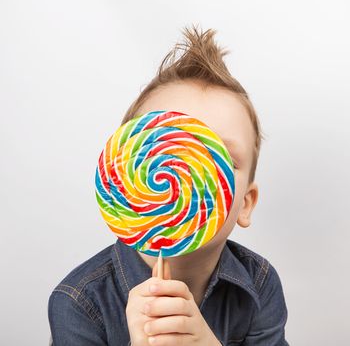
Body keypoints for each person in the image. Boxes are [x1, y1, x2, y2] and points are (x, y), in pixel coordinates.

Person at [48, 24, 289, 346]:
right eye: (167, 147)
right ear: (121, 177)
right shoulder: (79, 301)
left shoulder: (259, 284)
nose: (190, 169)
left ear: (245, 203)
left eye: (222, 158)